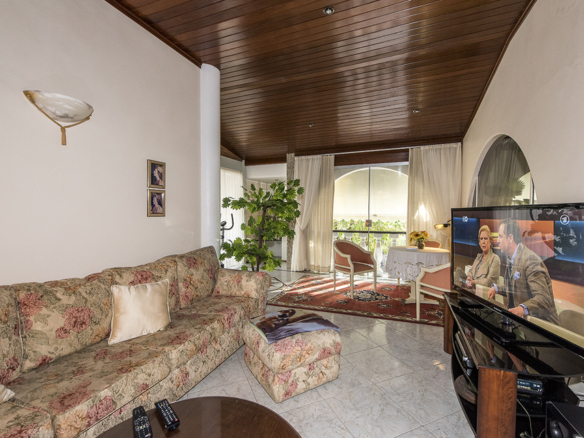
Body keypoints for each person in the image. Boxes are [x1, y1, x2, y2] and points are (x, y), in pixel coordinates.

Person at [488, 218, 560, 324]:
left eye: (500, 236)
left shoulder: (530, 259)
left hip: (544, 327)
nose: (497, 240)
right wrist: (497, 288)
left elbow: (544, 299)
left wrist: (522, 309)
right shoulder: (512, 259)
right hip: (523, 324)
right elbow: (514, 288)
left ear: (510, 238)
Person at [456, 225, 501, 289]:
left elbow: (489, 281)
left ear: (490, 241)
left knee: (459, 285)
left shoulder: (495, 258)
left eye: (485, 238)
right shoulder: (479, 256)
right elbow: (471, 271)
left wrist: (473, 282)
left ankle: (460, 291)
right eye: (481, 239)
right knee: (458, 270)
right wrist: (468, 278)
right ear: (479, 242)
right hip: (471, 285)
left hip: (479, 289)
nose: (483, 242)